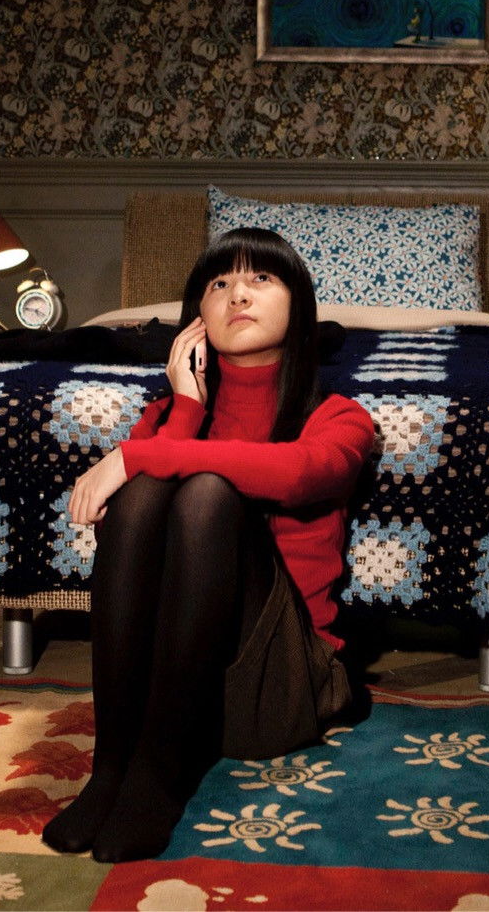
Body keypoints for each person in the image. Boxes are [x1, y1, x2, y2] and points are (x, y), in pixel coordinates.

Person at [43, 227, 375, 862]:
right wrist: (185, 411)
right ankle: (111, 767)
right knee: (150, 491)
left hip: (277, 685)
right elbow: (127, 537)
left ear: (298, 305)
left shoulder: (340, 416)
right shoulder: (167, 419)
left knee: (207, 492)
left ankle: (158, 778)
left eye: (260, 279)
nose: (237, 296)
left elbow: (298, 473)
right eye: (219, 283)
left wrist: (137, 455)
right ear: (196, 319)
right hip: (167, 685)